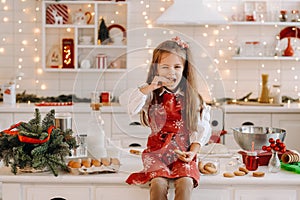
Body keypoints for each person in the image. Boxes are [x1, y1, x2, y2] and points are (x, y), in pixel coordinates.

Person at [119, 36, 211, 200]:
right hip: (156, 154)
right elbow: (127, 104)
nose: (171, 72)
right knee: (158, 184)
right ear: (156, 70)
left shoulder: (192, 98)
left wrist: (192, 153)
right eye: (165, 67)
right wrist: (151, 87)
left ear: (184, 69)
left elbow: (201, 129)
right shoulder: (150, 96)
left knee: (185, 183)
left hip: (183, 154)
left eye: (177, 66)